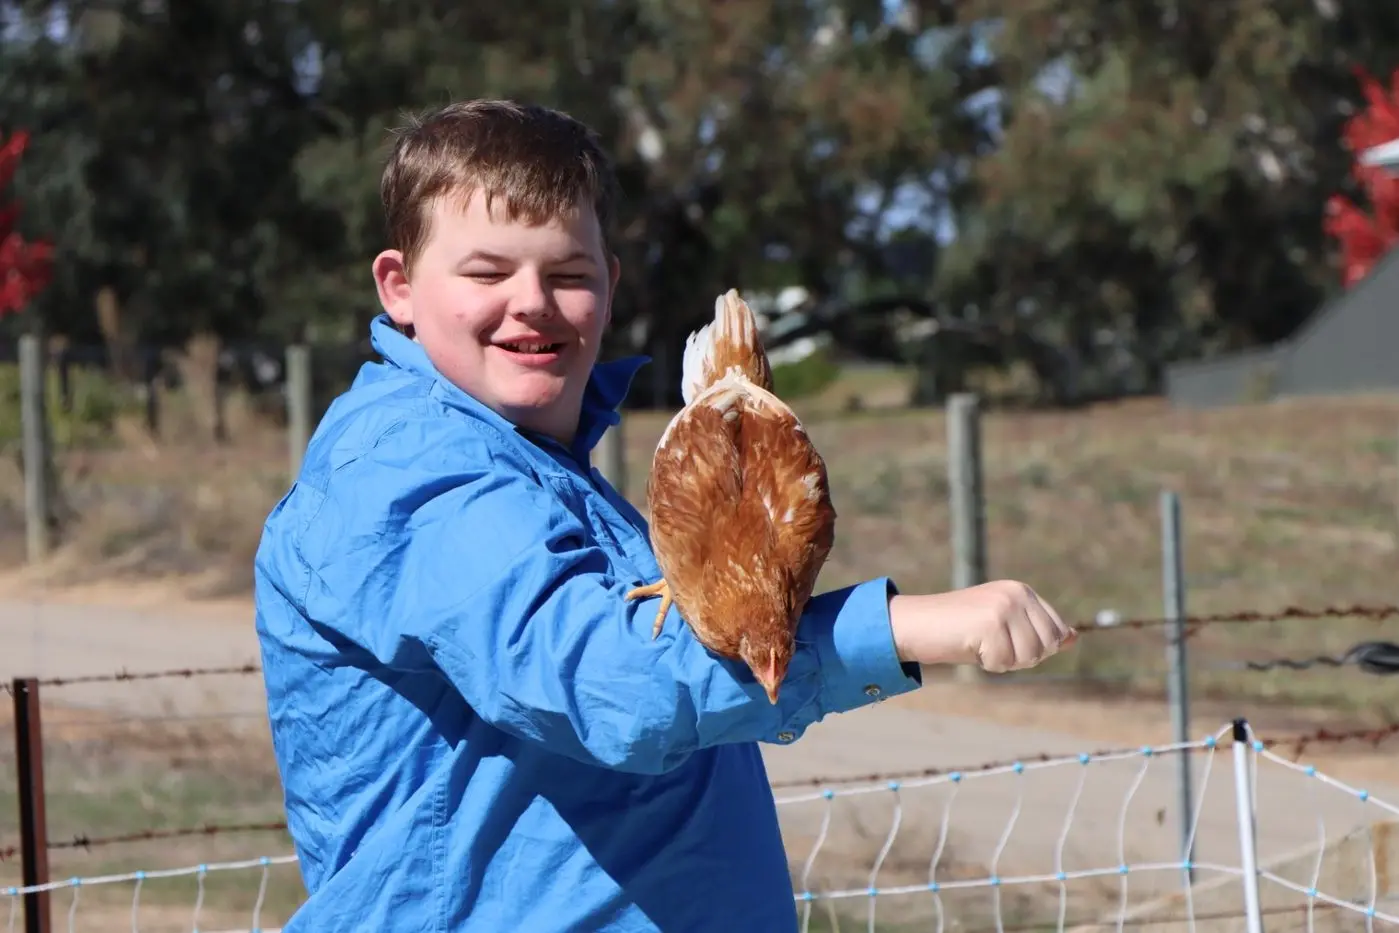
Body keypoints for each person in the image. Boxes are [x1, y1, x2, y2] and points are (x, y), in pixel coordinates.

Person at [253, 98, 1077, 933]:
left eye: (568, 273)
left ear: (610, 287)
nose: (532, 301)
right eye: (486, 272)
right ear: (398, 286)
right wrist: (895, 628)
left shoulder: (536, 465)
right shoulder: (413, 472)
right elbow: (607, 683)